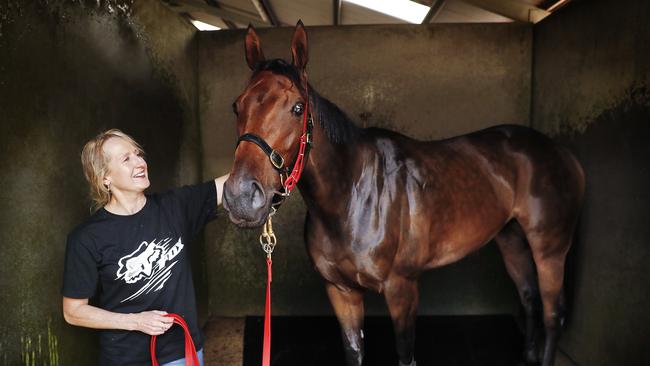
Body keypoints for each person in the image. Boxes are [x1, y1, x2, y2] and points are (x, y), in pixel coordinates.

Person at [62, 129, 228, 366]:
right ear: (104, 178)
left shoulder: (175, 207)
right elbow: (73, 311)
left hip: (182, 353)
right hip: (126, 359)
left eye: (138, 154)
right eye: (126, 159)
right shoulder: (87, 238)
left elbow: (232, 184)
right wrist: (136, 321)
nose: (140, 162)